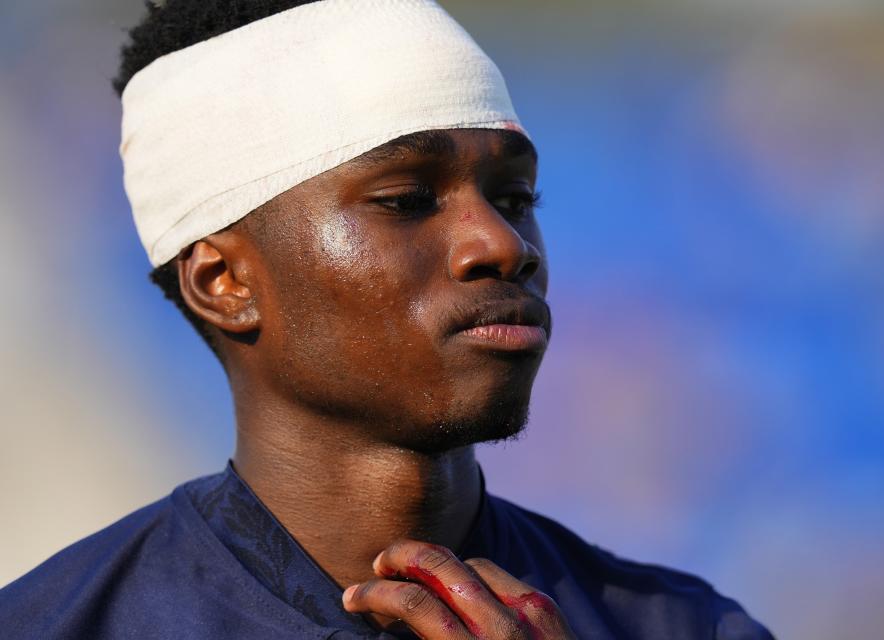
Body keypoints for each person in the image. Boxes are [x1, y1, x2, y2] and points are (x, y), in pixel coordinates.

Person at [0, 1, 774, 638]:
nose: (502, 246)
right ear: (224, 280)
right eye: (406, 200)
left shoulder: (688, 626)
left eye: (515, 200)